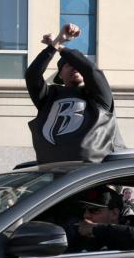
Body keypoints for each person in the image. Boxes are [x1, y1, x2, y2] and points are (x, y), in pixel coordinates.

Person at [25, 23, 124, 164]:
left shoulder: (98, 96)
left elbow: (92, 72)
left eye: (78, 64)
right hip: (53, 174)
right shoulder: (48, 97)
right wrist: (53, 46)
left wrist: (60, 46)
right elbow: (32, 75)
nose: (75, 67)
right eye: (68, 64)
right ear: (60, 74)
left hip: (93, 174)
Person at [66, 187, 134, 253]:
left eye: (94, 210)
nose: (86, 215)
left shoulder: (125, 235)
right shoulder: (81, 230)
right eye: (84, 209)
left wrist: (94, 228)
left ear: (114, 214)